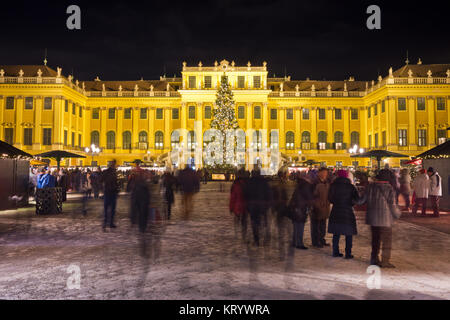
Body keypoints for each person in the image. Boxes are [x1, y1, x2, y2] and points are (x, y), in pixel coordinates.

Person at [363, 169, 401, 268]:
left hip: (373, 218)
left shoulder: (370, 187)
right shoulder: (389, 188)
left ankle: (374, 259)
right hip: (385, 220)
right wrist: (397, 214)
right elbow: (392, 205)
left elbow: (362, 200)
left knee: (375, 240)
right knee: (386, 241)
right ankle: (385, 261)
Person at [328, 170, 361, 259]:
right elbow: (357, 199)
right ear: (346, 176)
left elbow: (330, 198)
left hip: (336, 211)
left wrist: (336, 202)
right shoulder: (351, 187)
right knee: (348, 233)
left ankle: (335, 251)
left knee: (336, 232)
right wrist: (351, 203)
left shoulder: (333, 185)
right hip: (347, 211)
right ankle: (348, 253)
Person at [244, 168, 272, 247]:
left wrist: (247, 205)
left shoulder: (249, 182)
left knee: (254, 222)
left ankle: (256, 239)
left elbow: (245, 194)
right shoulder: (264, 182)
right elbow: (269, 193)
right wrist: (268, 204)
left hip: (252, 205)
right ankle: (263, 237)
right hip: (262, 205)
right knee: (262, 221)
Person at [288, 172, 313, 250]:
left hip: (295, 207)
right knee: (300, 225)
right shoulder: (306, 185)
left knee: (296, 225)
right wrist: (310, 206)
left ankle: (294, 242)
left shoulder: (299, 184)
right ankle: (299, 243)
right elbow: (308, 198)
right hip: (301, 207)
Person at [270, 169, 290, 259]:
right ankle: (283, 251)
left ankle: (282, 250)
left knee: (281, 230)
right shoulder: (286, 184)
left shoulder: (275, 184)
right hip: (284, 209)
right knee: (284, 230)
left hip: (278, 209)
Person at [127, 163, 151, 233]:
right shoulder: (142, 179)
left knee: (141, 213)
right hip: (141, 198)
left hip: (139, 198)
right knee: (142, 213)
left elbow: (129, 188)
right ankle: (141, 227)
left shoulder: (135, 179)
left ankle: (140, 226)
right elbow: (129, 188)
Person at [311, 167, 331, 248]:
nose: (324, 174)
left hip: (325, 207)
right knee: (316, 225)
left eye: (326, 173)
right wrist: (316, 205)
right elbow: (312, 196)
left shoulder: (327, 182)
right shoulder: (315, 182)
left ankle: (322, 240)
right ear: (319, 173)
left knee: (323, 225)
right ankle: (316, 241)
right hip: (317, 207)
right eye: (323, 173)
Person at [229, 168, 248, 241]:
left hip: (237, 207)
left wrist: (231, 207)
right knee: (244, 222)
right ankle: (244, 235)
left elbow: (232, 197)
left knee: (237, 220)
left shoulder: (235, 185)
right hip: (245, 206)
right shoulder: (247, 183)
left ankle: (236, 234)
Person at [101, 160, 120, 230]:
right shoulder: (113, 172)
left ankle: (106, 224)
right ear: (113, 165)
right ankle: (109, 223)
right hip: (111, 193)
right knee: (111, 209)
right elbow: (115, 183)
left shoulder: (106, 172)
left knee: (107, 209)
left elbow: (101, 180)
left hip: (108, 192)